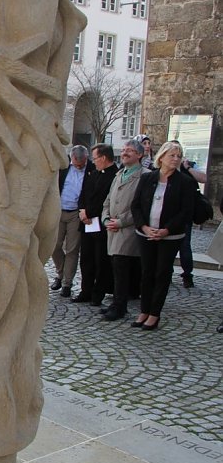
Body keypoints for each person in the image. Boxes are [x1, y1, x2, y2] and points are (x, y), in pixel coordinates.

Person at [130, 141, 195, 330]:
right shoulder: (148, 178)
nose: (175, 159)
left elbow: (186, 211)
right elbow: (136, 205)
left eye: (179, 156)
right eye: (172, 155)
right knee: (147, 272)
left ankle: (154, 313)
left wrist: (166, 229)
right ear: (161, 157)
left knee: (161, 273)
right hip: (146, 234)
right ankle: (144, 310)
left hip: (170, 236)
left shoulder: (185, 182)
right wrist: (143, 226)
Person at [100, 139, 148, 321]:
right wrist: (105, 218)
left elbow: (142, 206)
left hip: (127, 230)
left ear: (139, 155)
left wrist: (120, 222)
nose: (126, 152)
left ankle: (120, 306)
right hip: (111, 228)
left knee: (122, 268)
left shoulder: (145, 175)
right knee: (115, 267)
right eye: (125, 149)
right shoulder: (120, 174)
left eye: (130, 150)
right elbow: (107, 200)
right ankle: (116, 302)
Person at [74, 144, 118, 306]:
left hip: (101, 223)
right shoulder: (93, 172)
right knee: (86, 259)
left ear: (104, 158)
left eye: (96, 158)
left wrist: (89, 213)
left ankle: (97, 293)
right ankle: (85, 290)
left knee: (101, 260)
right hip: (87, 222)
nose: (94, 161)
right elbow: (84, 192)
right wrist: (82, 211)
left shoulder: (114, 175)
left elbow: (106, 200)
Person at [51, 145, 93, 297]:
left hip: (77, 213)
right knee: (54, 245)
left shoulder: (91, 170)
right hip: (59, 210)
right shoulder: (63, 168)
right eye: (76, 163)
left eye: (82, 163)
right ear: (72, 158)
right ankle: (60, 273)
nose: (79, 165)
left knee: (72, 249)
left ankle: (67, 283)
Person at [176, 145, 207, 289]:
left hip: (185, 216)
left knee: (184, 246)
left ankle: (187, 275)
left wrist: (187, 167)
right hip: (166, 215)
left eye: (178, 154)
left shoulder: (187, 169)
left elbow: (204, 178)